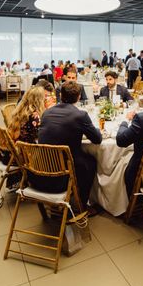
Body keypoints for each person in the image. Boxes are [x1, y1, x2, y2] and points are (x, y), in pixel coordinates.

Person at [37, 81, 102, 211]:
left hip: (41, 165)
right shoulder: (80, 115)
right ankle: (82, 204)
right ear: (78, 97)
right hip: (65, 166)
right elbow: (97, 139)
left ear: (60, 95)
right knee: (90, 162)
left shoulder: (46, 112)